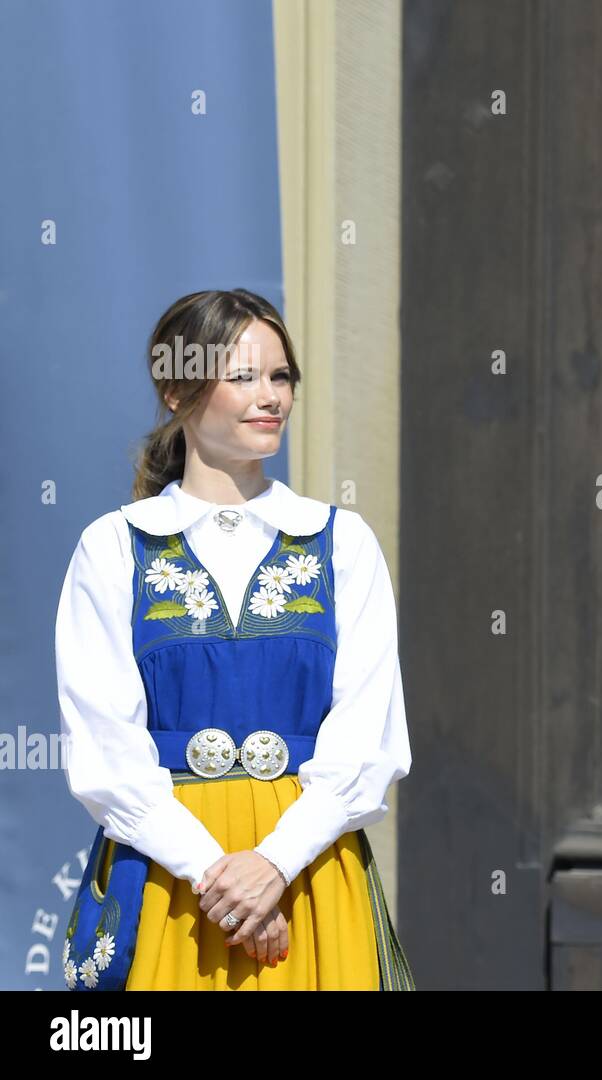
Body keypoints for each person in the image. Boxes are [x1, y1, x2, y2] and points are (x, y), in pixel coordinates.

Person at [56, 288, 414, 990]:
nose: (271, 396)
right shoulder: (115, 548)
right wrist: (224, 880)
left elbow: (368, 739)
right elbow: (106, 753)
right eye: (244, 376)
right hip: (171, 887)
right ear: (175, 390)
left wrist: (274, 864)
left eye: (280, 376)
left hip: (310, 878)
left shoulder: (342, 544)